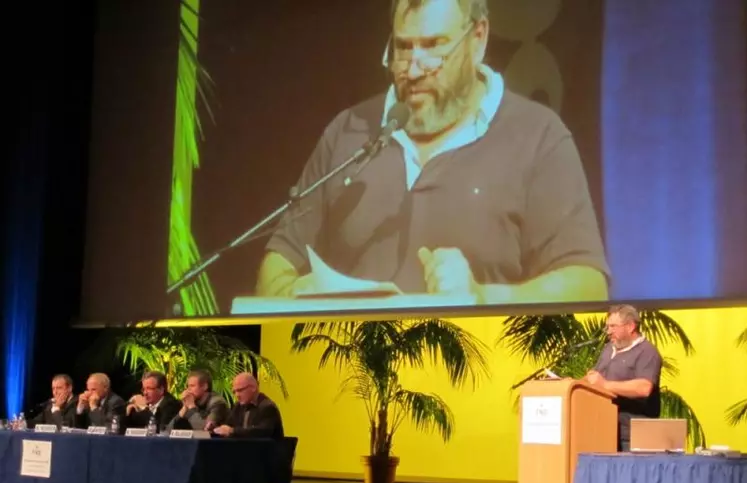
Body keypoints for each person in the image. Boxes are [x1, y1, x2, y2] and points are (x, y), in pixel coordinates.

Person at [256, 0, 609, 305]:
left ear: (478, 39)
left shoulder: (537, 136)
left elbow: (588, 286)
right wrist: (290, 295)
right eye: (404, 47)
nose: (412, 70)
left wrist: (482, 297)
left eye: (434, 46)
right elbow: (279, 261)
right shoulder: (349, 132)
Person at [584, 304, 663, 451]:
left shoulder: (647, 352)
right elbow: (597, 378)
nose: (608, 332)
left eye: (613, 326)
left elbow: (644, 388)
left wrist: (605, 384)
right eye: (608, 327)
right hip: (605, 431)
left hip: (633, 436)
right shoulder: (608, 349)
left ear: (630, 326)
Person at [212, 373, 284, 439]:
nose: (237, 395)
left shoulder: (267, 407)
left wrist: (232, 431)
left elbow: (262, 432)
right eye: (234, 392)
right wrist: (216, 428)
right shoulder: (238, 406)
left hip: (266, 451)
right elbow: (228, 425)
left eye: (240, 390)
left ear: (253, 388)